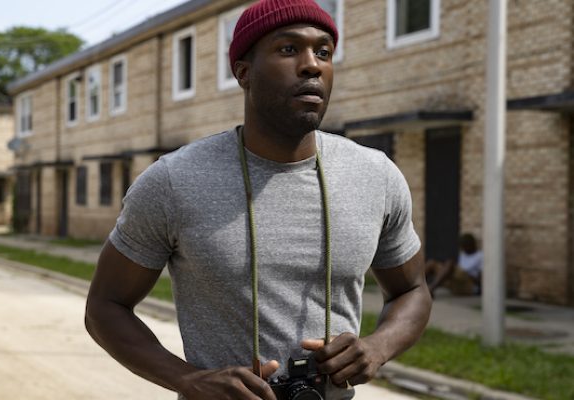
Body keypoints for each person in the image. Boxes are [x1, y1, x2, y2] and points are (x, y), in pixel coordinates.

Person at [84, 1, 432, 399]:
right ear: (244, 73)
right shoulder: (174, 180)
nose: (311, 65)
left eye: (323, 52)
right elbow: (104, 307)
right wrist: (186, 379)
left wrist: (377, 347)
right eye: (288, 49)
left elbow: (412, 291)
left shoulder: (375, 175)